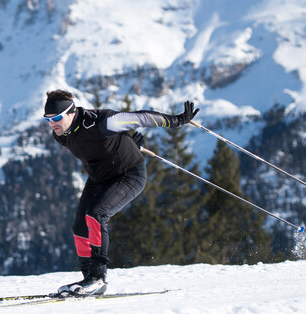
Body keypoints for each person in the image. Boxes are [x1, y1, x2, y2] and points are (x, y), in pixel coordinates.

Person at [44, 89, 199, 296]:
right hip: (99, 177)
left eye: (56, 118)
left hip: (129, 175)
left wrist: (176, 121)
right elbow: (94, 148)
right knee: (79, 226)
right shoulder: (60, 135)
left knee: (96, 215)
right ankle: (89, 278)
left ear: (71, 112)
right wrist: (125, 145)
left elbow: (140, 118)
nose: (52, 124)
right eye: (47, 119)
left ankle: (98, 277)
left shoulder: (101, 122)